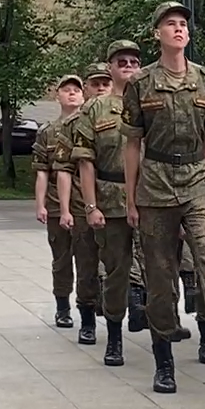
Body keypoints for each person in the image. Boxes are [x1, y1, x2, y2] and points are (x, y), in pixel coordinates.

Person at [124, 1, 205, 392]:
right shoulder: (140, 84)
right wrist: (131, 198)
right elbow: (132, 145)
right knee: (161, 276)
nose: (178, 29)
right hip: (156, 183)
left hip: (197, 177)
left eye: (183, 24)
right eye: (170, 24)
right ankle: (163, 360)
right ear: (157, 35)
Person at [73, 41, 145, 364]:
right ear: (111, 66)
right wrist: (91, 206)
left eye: (133, 61)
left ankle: (161, 336)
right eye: (121, 61)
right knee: (116, 270)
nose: (127, 66)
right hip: (111, 197)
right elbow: (85, 161)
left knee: (159, 270)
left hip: (151, 195)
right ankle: (114, 336)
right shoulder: (95, 109)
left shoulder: (153, 99)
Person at [56, 67, 109, 345]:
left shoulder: (127, 117)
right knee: (87, 265)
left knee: (127, 263)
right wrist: (65, 209)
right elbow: (64, 169)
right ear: (87, 88)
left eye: (105, 83)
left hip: (119, 201)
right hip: (82, 204)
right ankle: (87, 320)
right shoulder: (72, 124)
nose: (101, 88)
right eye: (95, 84)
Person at [34, 74, 86, 328]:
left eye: (76, 90)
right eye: (66, 90)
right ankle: (63, 307)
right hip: (56, 205)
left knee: (90, 259)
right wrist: (40, 204)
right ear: (58, 96)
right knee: (62, 259)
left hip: (87, 203)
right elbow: (43, 170)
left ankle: (91, 305)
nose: (72, 94)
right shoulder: (48, 132)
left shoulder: (91, 125)